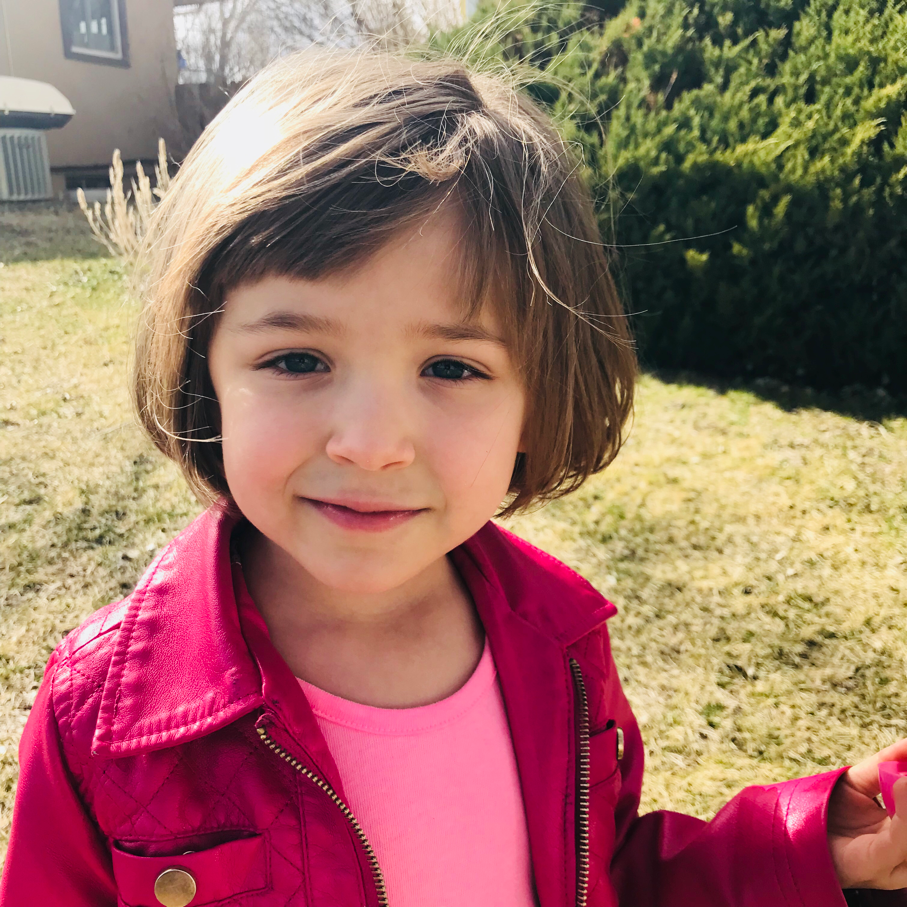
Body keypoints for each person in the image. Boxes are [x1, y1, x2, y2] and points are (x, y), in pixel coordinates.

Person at [1, 49, 906, 907]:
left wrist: (803, 847)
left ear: (537, 400)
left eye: (450, 368)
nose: (370, 444)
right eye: (297, 358)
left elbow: (606, 873)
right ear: (204, 372)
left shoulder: (562, 642)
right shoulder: (104, 717)